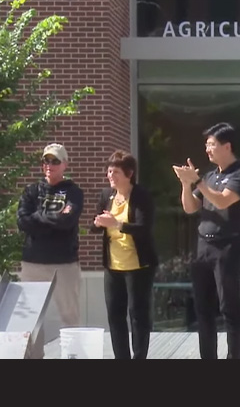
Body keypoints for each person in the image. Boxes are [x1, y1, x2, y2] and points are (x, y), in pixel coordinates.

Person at [172, 122, 240, 359]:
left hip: (228, 246)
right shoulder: (210, 176)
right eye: (206, 145)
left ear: (227, 146)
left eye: (211, 145)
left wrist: (198, 182)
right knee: (203, 309)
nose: (207, 150)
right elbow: (191, 208)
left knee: (228, 307)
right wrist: (187, 184)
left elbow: (222, 201)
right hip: (203, 246)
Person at [16, 143, 83, 359]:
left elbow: (68, 220)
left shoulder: (73, 192)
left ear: (65, 164)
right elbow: (23, 221)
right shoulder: (31, 191)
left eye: (55, 161)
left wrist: (39, 220)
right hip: (32, 263)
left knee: (70, 317)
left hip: (64, 264)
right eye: (46, 160)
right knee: (31, 319)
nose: (49, 165)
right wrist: (53, 219)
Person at [91, 150, 158, 359]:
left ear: (129, 174)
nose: (110, 176)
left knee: (137, 316)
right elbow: (96, 224)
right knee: (115, 315)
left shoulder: (141, 196)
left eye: (115, 172)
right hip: (113, 266)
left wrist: (117, 224)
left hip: (138, 266)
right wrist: (98, 224)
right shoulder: (106, 195)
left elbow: (143, 228)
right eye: (109, 172)